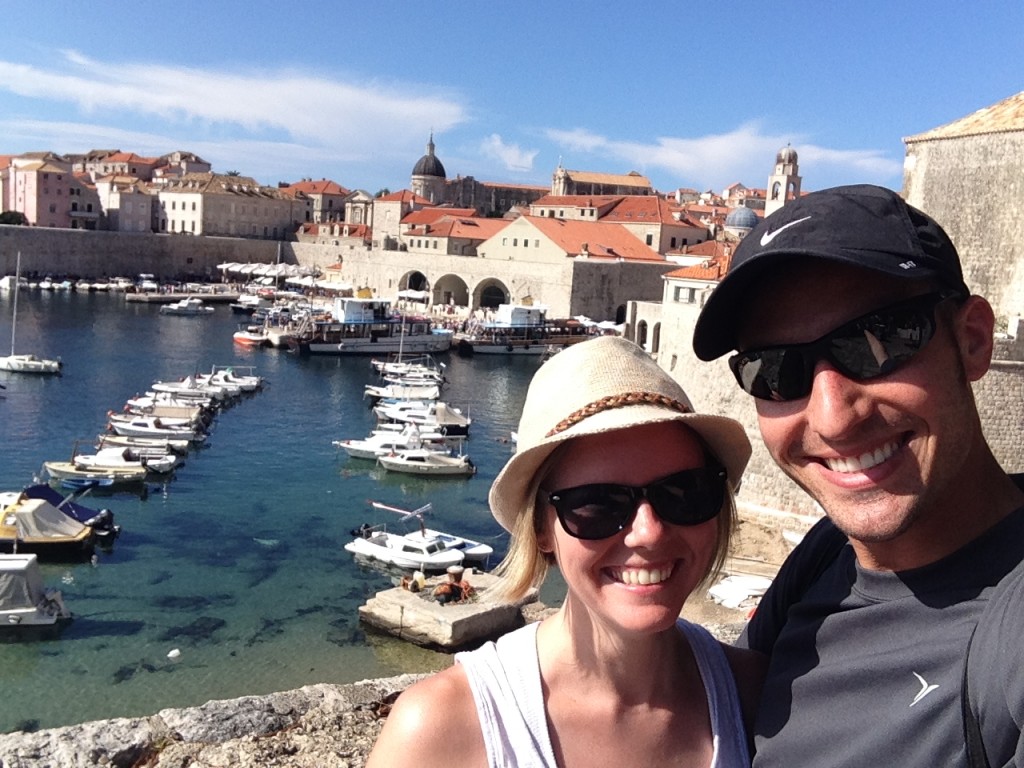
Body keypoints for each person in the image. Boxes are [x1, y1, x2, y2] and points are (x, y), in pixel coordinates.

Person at [692, 183, 1024, 767]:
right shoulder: (830, 553)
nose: (833, 417)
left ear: (972, 341)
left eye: (878, 343)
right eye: (776, 370)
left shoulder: (1009, 636)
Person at [367, 336, 761, 768]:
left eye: (684, 492)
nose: (648, 532)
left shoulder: (758, 696)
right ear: (540, 529)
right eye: (597, 505)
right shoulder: (440, 731)